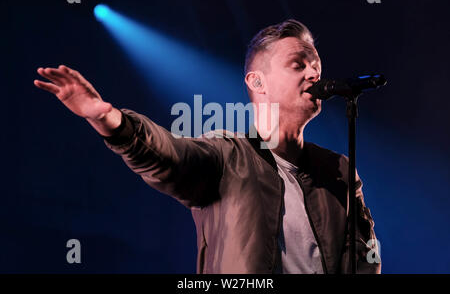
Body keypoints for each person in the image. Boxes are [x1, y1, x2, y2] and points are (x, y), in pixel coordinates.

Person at [34, 19, 381, 274]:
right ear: (257, 82)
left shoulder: (337, 170)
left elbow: (366, 261)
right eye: (298, 65)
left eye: (316, 67)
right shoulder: (228, 155)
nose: (313, 74)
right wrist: (109, 119)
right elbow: (167, 155)